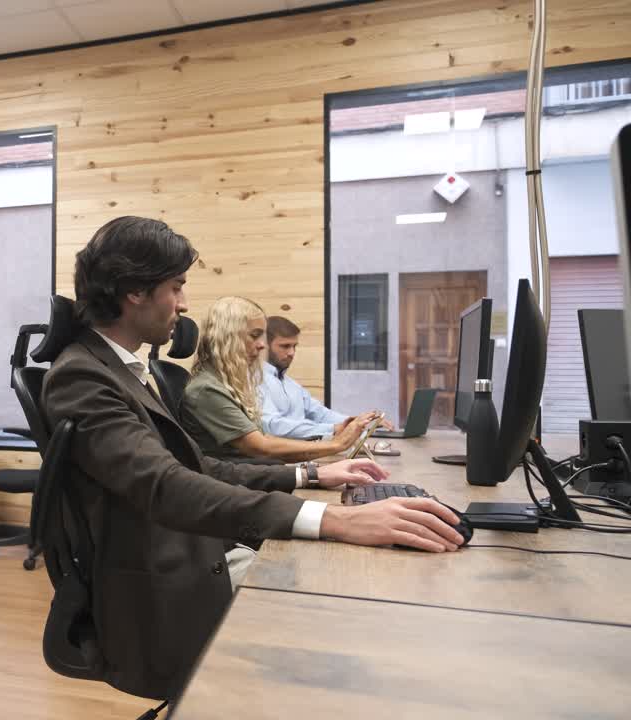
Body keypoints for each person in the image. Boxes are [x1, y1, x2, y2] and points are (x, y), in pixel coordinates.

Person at [40, 215, 467, 700]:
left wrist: (310, 473)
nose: (184, 304)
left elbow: (199, 466)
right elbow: (166, 487)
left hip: (196, 552)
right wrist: (333, 520)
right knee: (355, 607)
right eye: (176, 287)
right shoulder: (82, 378)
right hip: (161, 589)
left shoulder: (126, 369)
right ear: (135, 290)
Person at [179, 298, 370, 462]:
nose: (262, 345)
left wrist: (335, 438)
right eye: (254, 336)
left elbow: (265, 439)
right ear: (227, 337)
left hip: (253, 472)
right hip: (238, 484)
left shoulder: (224, 383)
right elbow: (261, 446)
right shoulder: (206, 388)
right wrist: (335, 444)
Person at [261, 315, 392, 439]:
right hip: (279, 458)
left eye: (294, 346)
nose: (291, 353)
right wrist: (333, 429)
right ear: (264, 346)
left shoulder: (291, 385)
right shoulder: (255, 381)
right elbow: (272, 427)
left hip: (302, 453)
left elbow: (321, 414)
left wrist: (358, 423)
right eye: (285, 346)